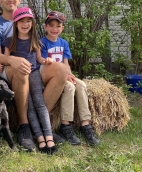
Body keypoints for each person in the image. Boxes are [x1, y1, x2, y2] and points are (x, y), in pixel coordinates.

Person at [0, 0, 68, 151]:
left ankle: (38, 124)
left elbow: (38, 50)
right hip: (10, 68)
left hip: (35, 67)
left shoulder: (28, 23)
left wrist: (47, 61)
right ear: (1, 0)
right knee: (21, 68)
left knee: (61, 69)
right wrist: (12, 60)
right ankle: (24, 125)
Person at [0, 7, 58, 155]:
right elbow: (6, 58)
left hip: (35, 73)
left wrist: (46, 60)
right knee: (29, 105)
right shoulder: (10, 41)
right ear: (16, 23)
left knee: (39, 102)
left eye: (28, 21)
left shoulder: (34, 38)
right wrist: (1, 64)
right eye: (22, 21)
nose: (25, 24)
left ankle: (48, 135)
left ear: (32, 23)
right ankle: (39, 137)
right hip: (20, 76)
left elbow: (38, 58)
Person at [40, 11, 100, 146]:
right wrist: (65, 78)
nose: (54, 29)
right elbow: (44, 65)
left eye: (58, 26)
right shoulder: (42, 43)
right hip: (52, 77)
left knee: (81, 85)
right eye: (51, 25)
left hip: (65, 74)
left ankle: (86, 124)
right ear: (45, 27)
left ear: (62, 28)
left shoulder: (64, 43)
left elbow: (65, 63)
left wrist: (70, 75)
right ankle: (65, 125)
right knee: (69, 87)